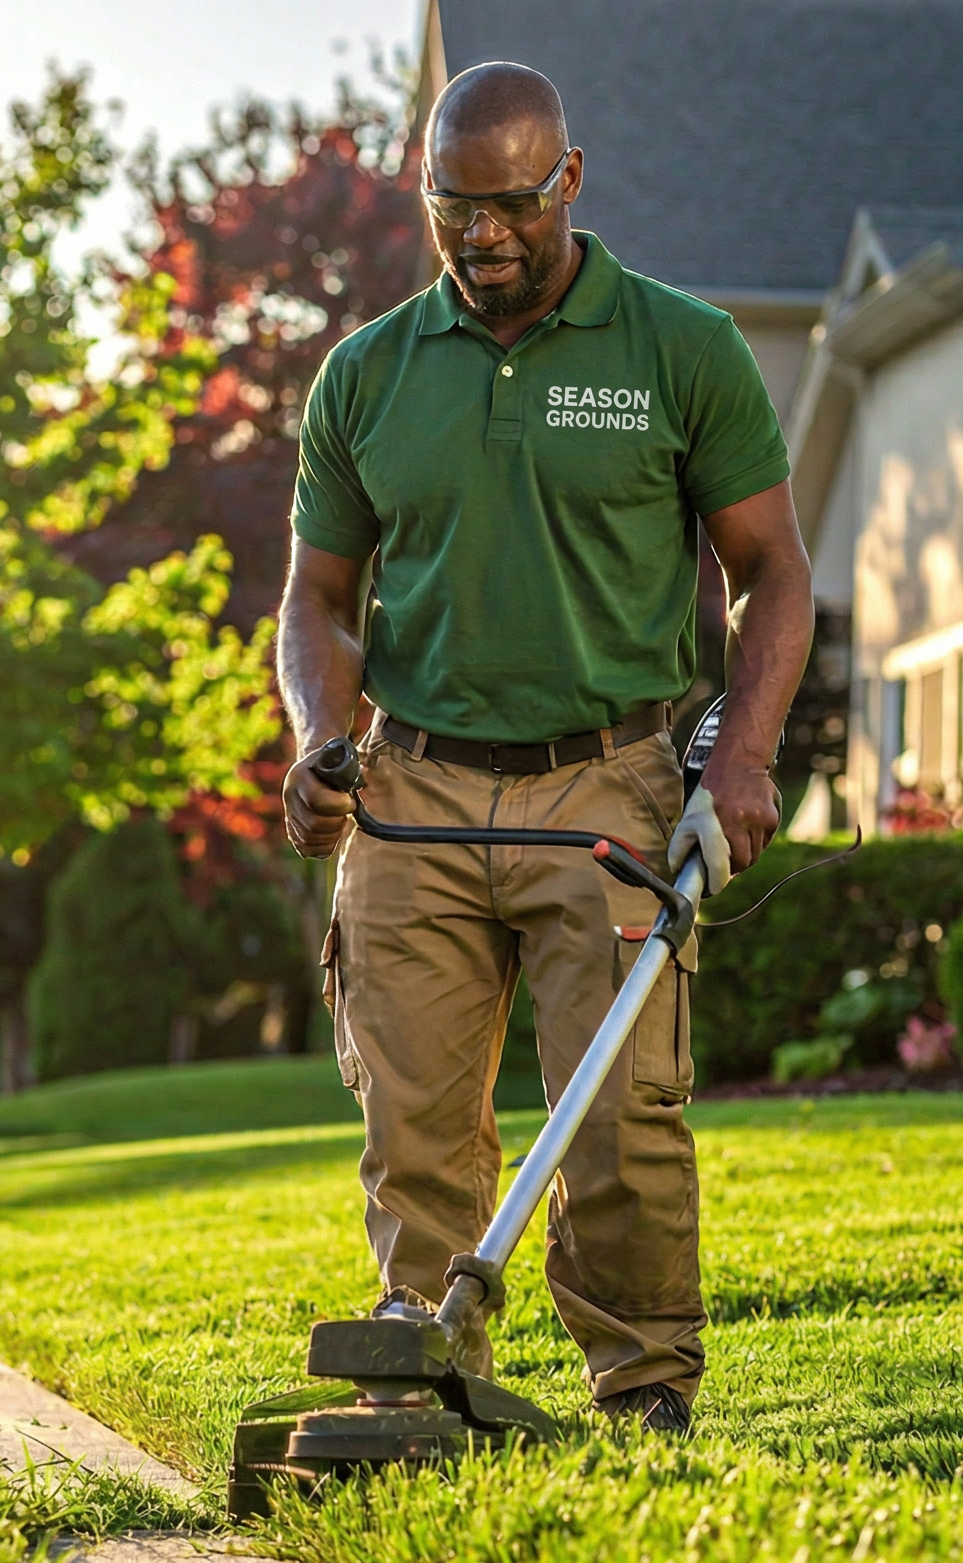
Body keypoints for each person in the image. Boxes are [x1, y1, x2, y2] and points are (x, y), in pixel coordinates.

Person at [278, 61, 814, 1434]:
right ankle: (423, 1354)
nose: (487, 235)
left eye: (513, 202)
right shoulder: (368, 375)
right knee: (410, 1111)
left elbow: (774, 574)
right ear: (429, 195)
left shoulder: (679, 348)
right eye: (458, 206)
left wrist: (741, 757)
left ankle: (642, 1389)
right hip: (415, 787)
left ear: (569, 180)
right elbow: (320, 598)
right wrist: (319, 739)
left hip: (612, 780)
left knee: (624, 1116)